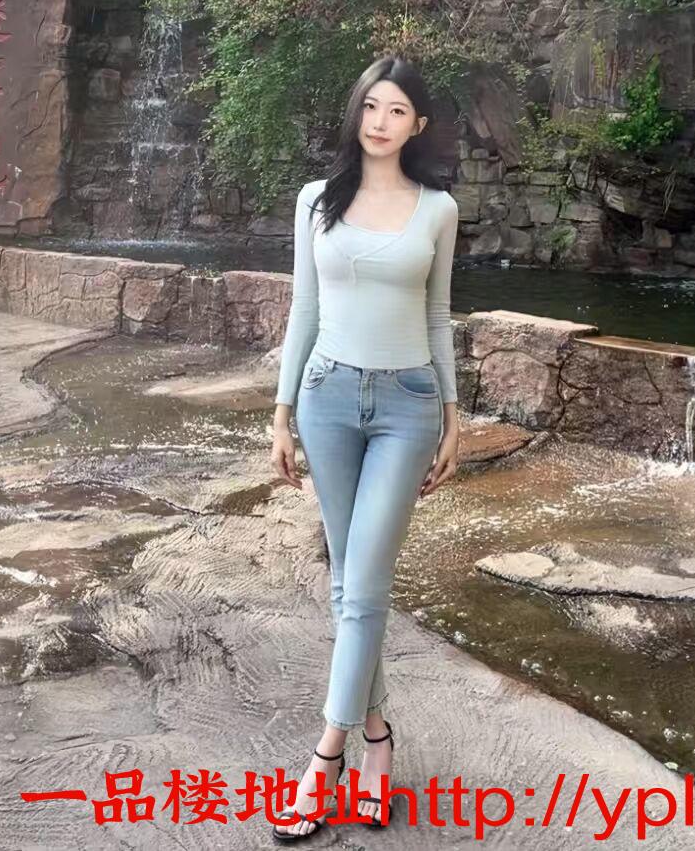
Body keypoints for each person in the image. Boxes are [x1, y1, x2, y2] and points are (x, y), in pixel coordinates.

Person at [269, 54, 460, 840]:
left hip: (407, 405)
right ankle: (378, 738)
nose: (380, 121)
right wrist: (280, 412)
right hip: (326, 398)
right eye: (370, 105)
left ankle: (326, 757)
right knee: (351, 584)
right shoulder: (317, 200)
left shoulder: (438, 209)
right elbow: (302, 310)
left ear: (418, 125)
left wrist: (454, 416)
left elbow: (439, 315)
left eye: (396, 110)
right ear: (357, 113)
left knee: (366, 581)